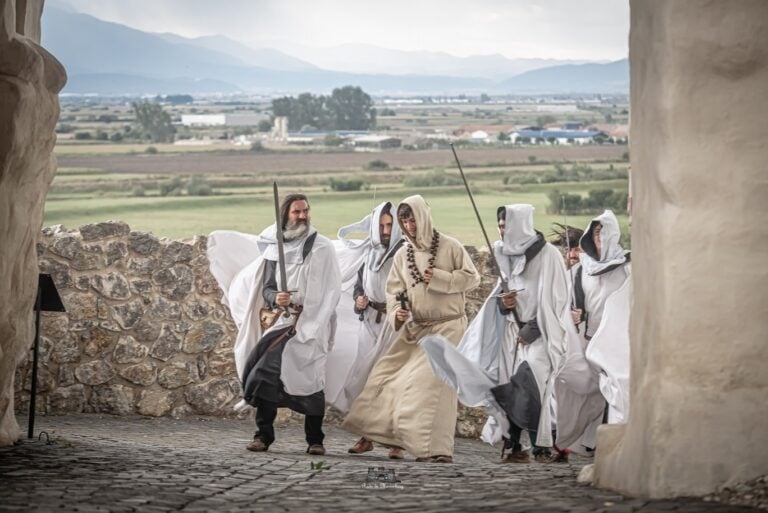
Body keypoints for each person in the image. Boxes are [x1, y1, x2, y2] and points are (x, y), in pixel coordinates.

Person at [421, 204, 573, 463]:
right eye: (500, 226)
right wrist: (504, 303)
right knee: (507, 386)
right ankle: (515, 446)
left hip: (541, 333)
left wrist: (532, 329)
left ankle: (541, 447)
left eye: (507, 226)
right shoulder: (503, 252)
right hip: (510, 332)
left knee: (532, 384)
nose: (502, 231)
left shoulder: (548, 255)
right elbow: (503, 292)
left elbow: (558, 300)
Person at [341, 194, 480, 463]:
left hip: (448, 326)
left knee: (433, 385)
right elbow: (394, 291)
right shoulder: (403, 254)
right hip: (416, 328)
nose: (409, 225)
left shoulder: (450, 246)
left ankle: (438, 449)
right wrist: (397, 311)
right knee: (387, 376)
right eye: (404, 221)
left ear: (423, 217)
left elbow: (472, 278)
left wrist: (440, 277)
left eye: (412, 219)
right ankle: (383, 437)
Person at [206, 193, 341, 455]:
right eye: (296, 212)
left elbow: (331, 291)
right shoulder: (273, 248)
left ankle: (315, 440)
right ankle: (263, 435)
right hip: (282, 323)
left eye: (305, 211)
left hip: (312, 323)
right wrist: (276, 297)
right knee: (264, 374)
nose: (302, 216)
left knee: (311, 381)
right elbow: (267, 288)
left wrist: (313, 324)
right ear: (286, 215)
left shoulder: (323, 248)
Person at [328, 202, 404, 456]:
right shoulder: (369, 253)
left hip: (395, 326)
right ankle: (366, 437)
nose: (385, 231)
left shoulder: (405, 253)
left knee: (392, 382)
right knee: (365, 380)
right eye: (381, 226)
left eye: (389, 225)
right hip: (370, 324)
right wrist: (359, 300)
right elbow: (360, 286)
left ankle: (396, 442)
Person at [579, 210, 632, 424]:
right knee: (589, 393)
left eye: (602, 231)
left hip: (617, 341)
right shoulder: (583, 268)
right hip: (590, 339)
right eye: (595, 232)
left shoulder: (628, 266)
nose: (599, 236)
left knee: (616, 390)